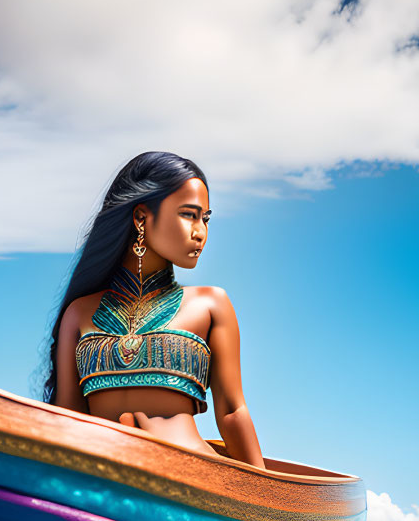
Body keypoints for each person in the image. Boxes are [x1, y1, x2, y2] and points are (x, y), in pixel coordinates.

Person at [39, 151, 266, 469]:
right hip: (99, 479)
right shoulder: (79, 314)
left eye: (206, 219)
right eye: (189, 214)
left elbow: (232, 412)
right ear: (141, 218)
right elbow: (67, 418)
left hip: (195, 481)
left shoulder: (210, 304)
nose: (200, 231)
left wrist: (266, 500)